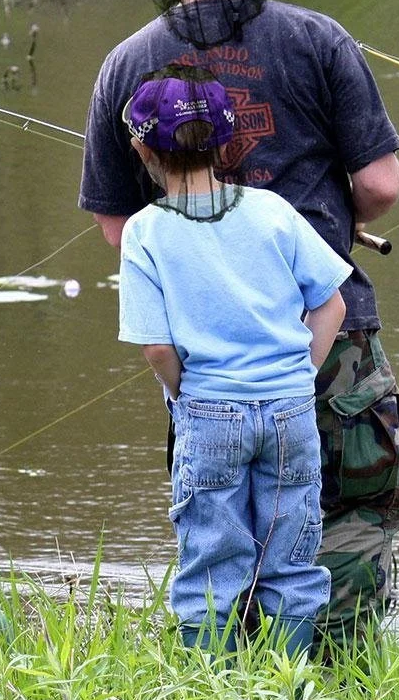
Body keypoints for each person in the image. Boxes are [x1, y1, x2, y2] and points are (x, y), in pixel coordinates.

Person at [79, 0, 399, 650]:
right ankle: (331, 677)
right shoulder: (318, 40)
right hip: (329, 333)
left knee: (221, 529)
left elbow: (117, 229)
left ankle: (225, 681)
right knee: (349, 513)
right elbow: (381, 185)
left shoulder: (126, 66)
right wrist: (327, 221)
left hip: (207, 360)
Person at [118, 66, 351, 655]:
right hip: (291, 412)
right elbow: (332, 305)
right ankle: (290, 685)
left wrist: (183, 391)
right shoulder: (273, 210)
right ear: (227, 143)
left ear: (143, 147)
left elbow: (155, 348)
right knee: (292, 558)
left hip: (208, 411)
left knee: (211, 563)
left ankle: (210, 687)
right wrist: (300, 376)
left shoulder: (144, 232)